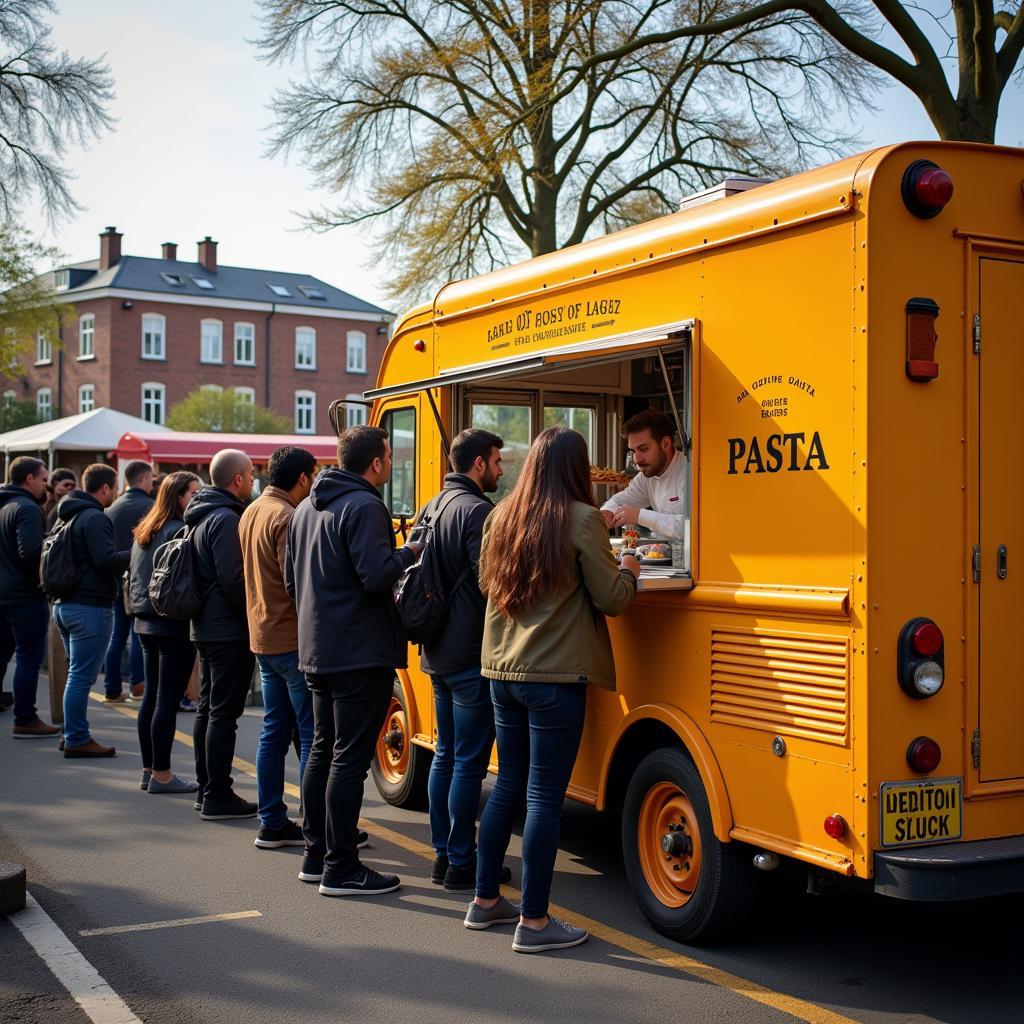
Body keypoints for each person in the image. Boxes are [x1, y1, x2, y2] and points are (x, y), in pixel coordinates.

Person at [468, 426, 639, 953]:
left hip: (501, 672)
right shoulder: (583, 519)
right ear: (575, 468)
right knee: (543, 797)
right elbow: (612, 599)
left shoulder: (502, 514)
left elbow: (484, 583)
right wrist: (629, 566)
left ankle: (485, 901)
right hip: (554, 678)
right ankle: (536, 923)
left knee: (508, 787)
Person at [286, 425, 422, 897]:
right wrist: (411, 550)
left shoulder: (305, 506)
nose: (390, 462)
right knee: (347, 758)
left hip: (317, 647)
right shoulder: (365, 505)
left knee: (323, 749)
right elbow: (377, 575)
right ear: (377, 463)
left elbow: (291, 580)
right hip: (359, 650)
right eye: (388, 455)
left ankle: (315, 853)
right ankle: (341, 867)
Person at [420, 428, 507, 891]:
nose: (500, 469)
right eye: (496, 461)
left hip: (435, 648)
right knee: (469, 762)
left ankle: (442, 853)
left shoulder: (432, 506)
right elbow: (489, 582)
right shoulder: (477, 511)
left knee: (446, 755)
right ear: (478, 464)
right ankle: (460, 861)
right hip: (471, 652)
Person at [239, 446, 316, 850]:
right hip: (290, 637)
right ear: (302, 478)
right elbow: (295, 582)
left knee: (273, 730)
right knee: (310, 735)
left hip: (263, 634)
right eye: (313, 476)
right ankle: (316, 825)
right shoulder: (286, 515)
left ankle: (271, 819)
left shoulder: (253, 509)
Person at [186, 449, 257, 820]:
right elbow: (233, 579)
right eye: (250, 473)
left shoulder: (199, 514)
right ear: (238, 479)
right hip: (226, 628)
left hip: (204, 625)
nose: (253, 479)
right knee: (223, 713)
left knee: (209, 709)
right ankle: (217, 793)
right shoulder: (226, 517)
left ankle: (206, 788)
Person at [129, 471, 202, 794]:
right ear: (179, 498)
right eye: (194, 493)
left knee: (154, 696)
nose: (197, 499)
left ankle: (150, 769)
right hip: (171, 623)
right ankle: (162, 774)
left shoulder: (147, 529)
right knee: (166, 700)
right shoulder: (179, 531)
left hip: (144, 620)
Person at [53, 464, 131, 758]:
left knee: (76, 674)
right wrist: (135, 553)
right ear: (106, 488)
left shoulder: (66, 515)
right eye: (114, 488)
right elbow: (106, 560)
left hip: (64, 604)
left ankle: (69, 732)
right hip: (89, 606)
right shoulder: (94, 517)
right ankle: (76, 737)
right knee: (81, 677)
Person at [0, 457, 61, 738]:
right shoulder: (27, 508)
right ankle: (25, 717)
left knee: (4, 650)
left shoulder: (4, 504)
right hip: (23, 594)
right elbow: (31, 554)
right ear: (28, 479)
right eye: (42, 478)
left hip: (5, 591)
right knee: (28, 657)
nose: (45, 484)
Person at [102, 461, 154, 703]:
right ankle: (138, 685)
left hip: (114, 580)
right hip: (140, 580)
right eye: (151, 478)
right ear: (143, 480)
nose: (153, 482)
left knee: (117, 635)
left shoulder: (111, 508)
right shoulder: (151, 508)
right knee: (136, 636)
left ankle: (112, 687)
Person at [600, 409, 688, 539]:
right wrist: (607, 511)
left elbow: (691, 528)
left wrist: (639, 516)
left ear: (666, 444)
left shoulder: (690, 472)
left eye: (643, 449)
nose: (637, 459)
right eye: (633, 451)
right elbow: (621, 500)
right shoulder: (646, 476)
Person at [43, 468, 77, 532]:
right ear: (55, 484)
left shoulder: (73, 506)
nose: (70, 488)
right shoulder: (45, 504)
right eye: (66, 485)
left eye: (73, 486)